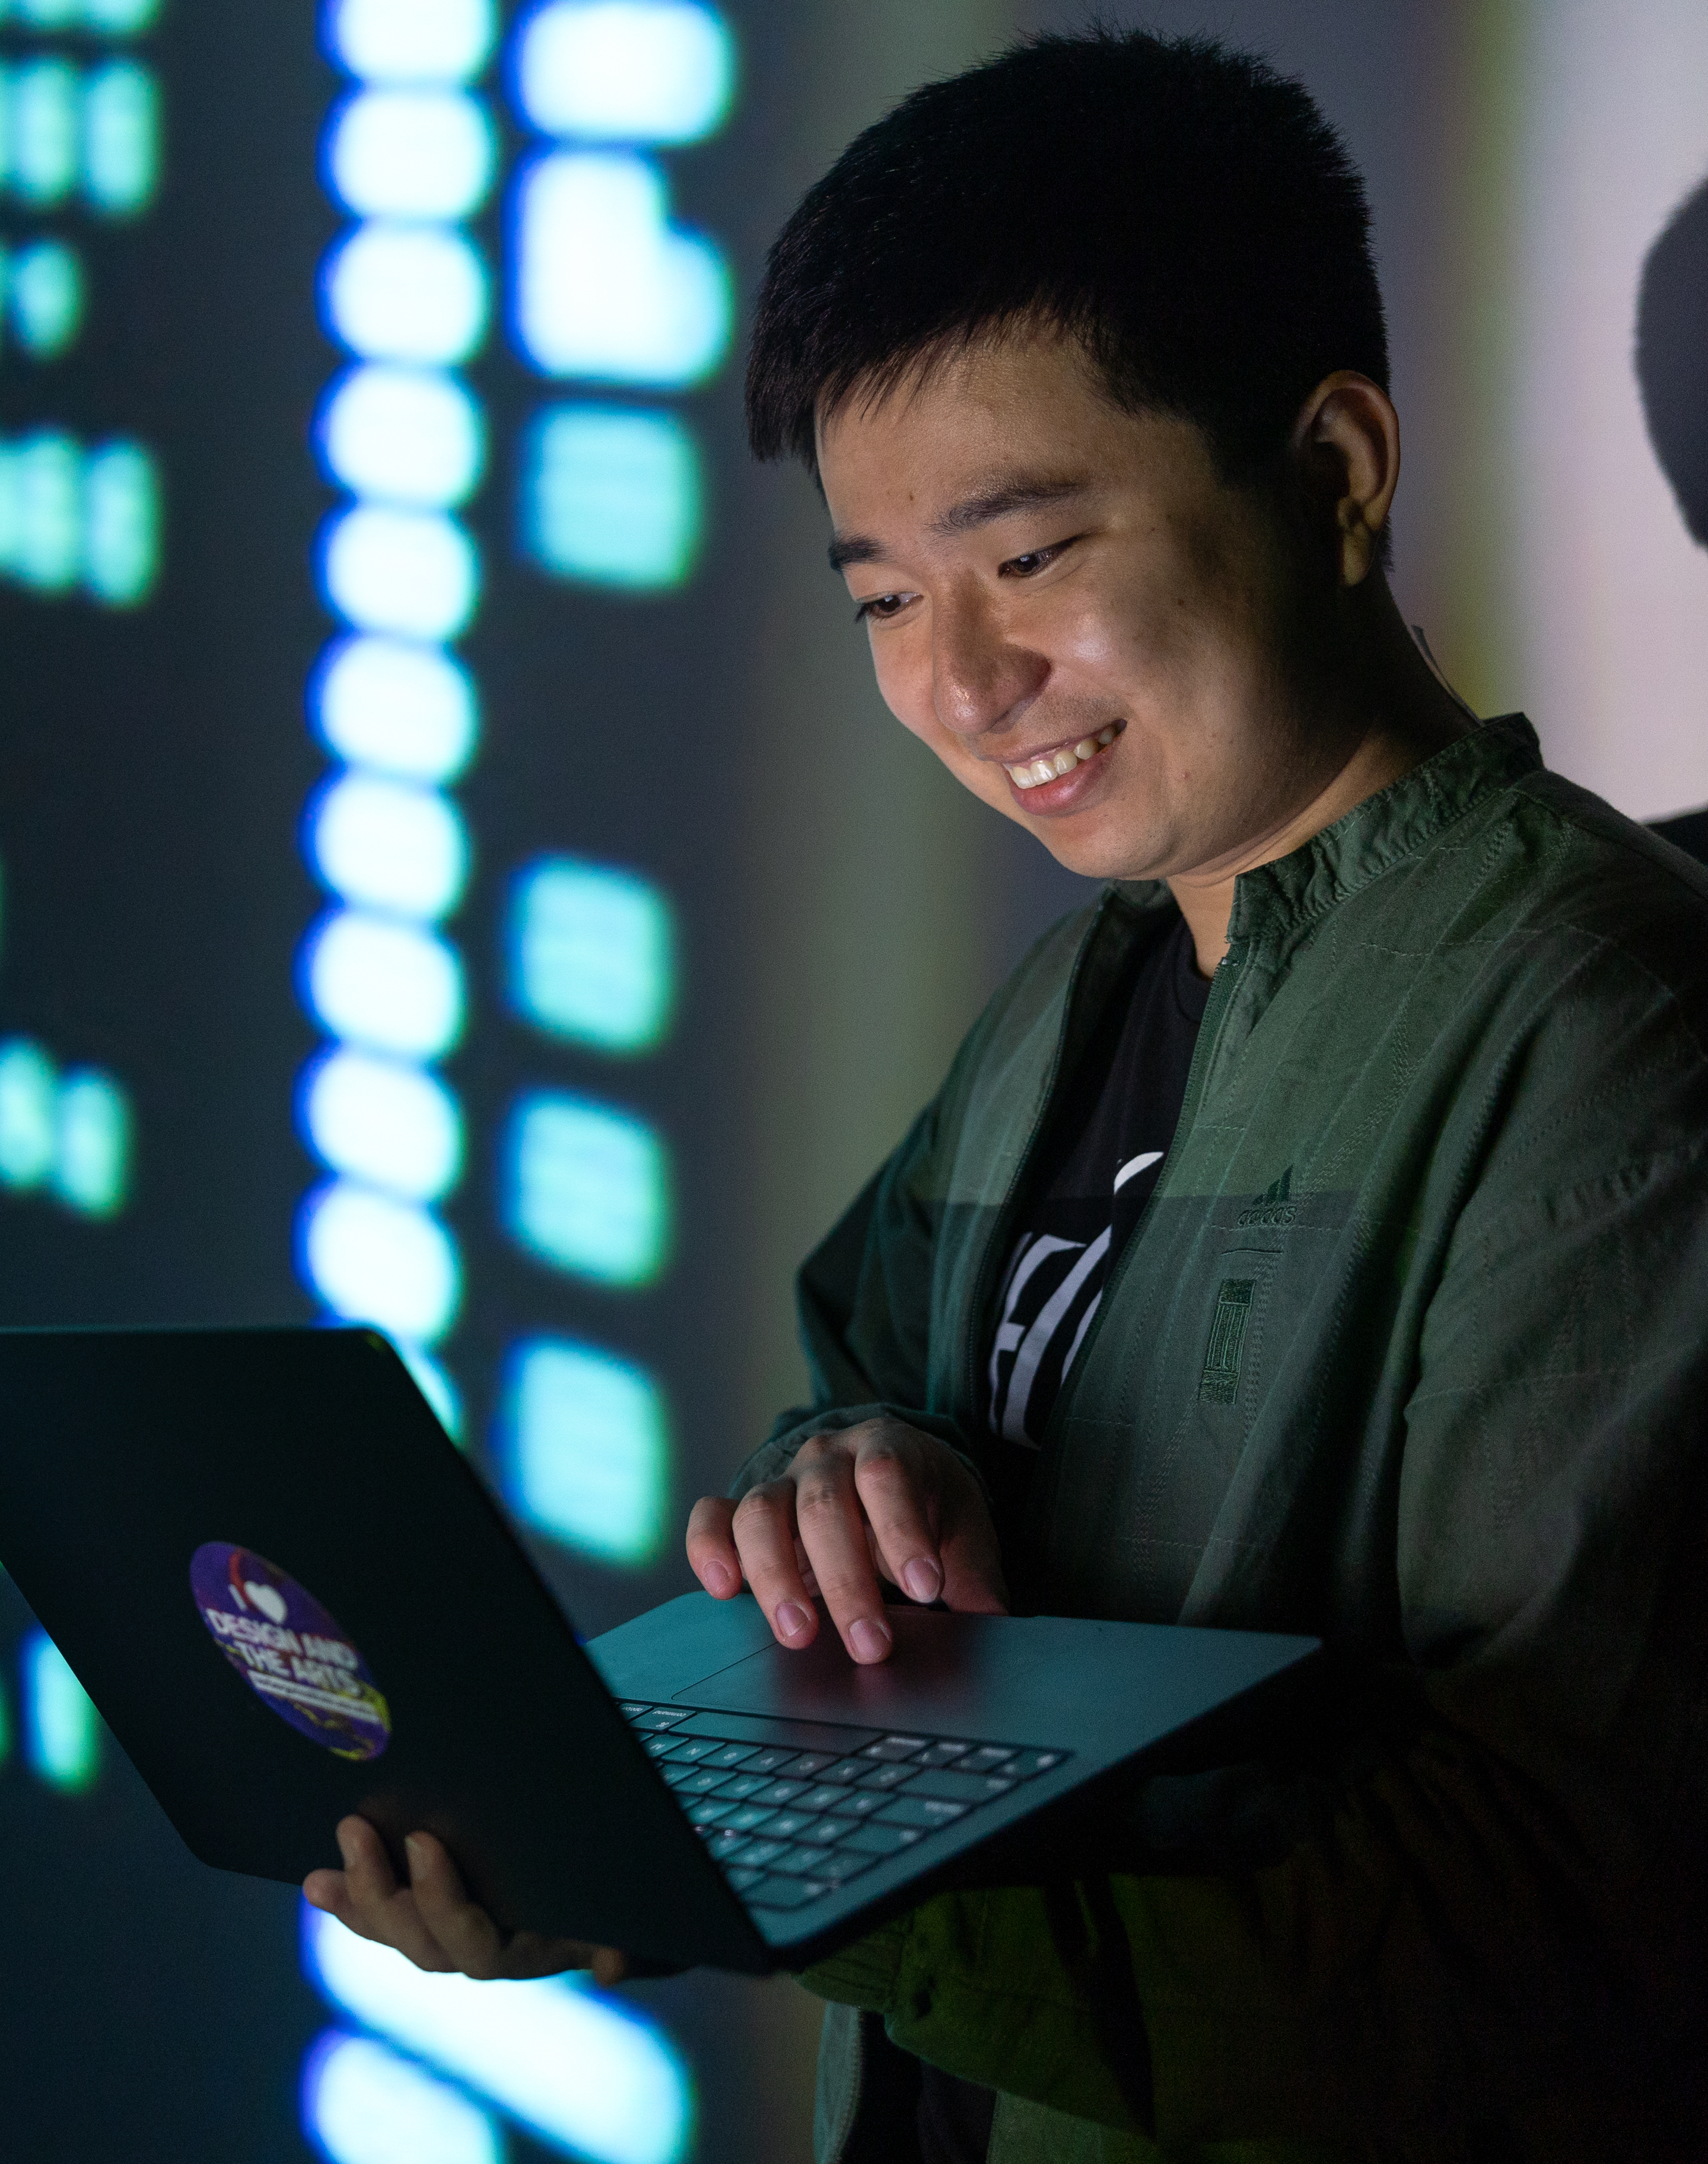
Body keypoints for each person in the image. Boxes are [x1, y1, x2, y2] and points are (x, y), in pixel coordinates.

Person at [304, 31, 1708, 2162]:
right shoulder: (1087, 992)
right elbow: (868, 1388)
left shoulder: (1600, 1027)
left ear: (1334, 474)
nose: (959, 685)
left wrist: (748, 1848)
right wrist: (851, 1487)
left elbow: (1523, 1937)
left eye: (1031, 557)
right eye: (885, 598)